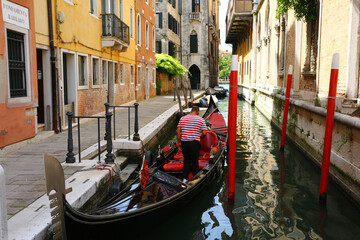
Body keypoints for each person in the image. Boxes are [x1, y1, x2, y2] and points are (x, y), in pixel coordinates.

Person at [176, 106, 207, 182]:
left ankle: (185, 179)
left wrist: (179, 142)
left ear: (191, 111)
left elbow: (177, 131)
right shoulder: (201, 119)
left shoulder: (182, 118)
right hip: (194, 143)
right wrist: (200, 137)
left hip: (184, 143)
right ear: (197, 111)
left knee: (186, 160)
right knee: (195, 161)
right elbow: (204, 132)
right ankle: (195, 179)